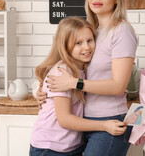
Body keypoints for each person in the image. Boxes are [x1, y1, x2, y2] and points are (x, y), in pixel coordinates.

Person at [37, 0, 138, 156]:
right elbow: (68, 65)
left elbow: (118, 86)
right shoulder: (92, 31)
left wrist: (74, 84)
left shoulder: (121, 32)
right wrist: (47, 90)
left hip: (110, 119)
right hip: (84, 122)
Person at [30, 16, 127, 156]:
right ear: (65, 46)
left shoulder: (82, 69)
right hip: (50, 148)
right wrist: (105, 125)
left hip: (70, 147)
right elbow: (64, 119)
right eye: (78, 43)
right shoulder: (63, 71)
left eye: (90, 40)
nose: (86, 47)